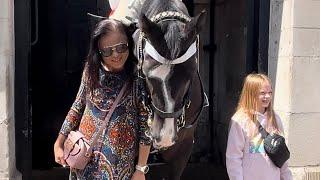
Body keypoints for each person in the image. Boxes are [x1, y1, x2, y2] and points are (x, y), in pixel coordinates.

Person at [53, 19, 152, 180]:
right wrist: (59, 143)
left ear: (129, 44)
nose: (116, 55)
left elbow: (145, 127)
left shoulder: (138, 78)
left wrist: (140, 169)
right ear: (98, 51)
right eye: (107, 51)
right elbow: (78, 106)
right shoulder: (91, 71)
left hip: (119, 169)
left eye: (121, 47)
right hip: (84, 163)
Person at [226, 73, 292, 180]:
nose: (267, 96)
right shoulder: (240, 121)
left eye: (270, 93)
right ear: (251, 94)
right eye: (263, 93)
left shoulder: (275, 119)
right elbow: (233, 158)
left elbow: (282, 157)